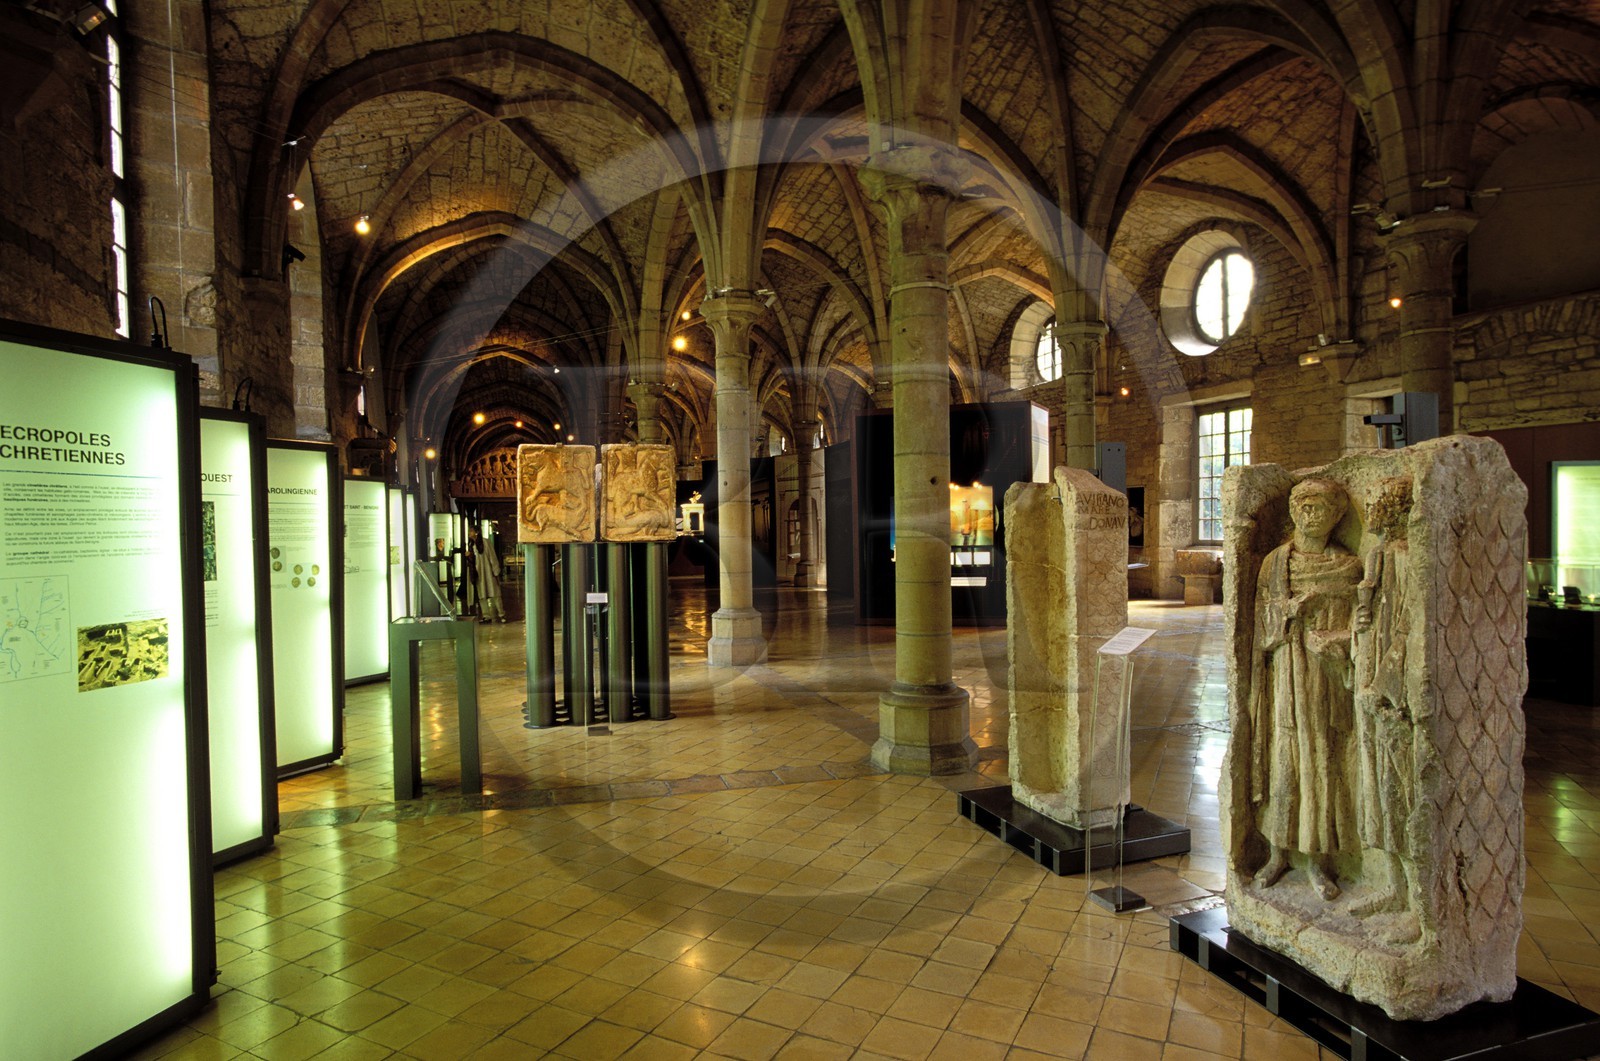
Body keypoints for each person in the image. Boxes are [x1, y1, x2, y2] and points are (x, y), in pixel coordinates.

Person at [1249, 477, 1363, 901]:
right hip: (1285, 675)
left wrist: (1338, 641)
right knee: (1284, 762)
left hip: (1328, 681)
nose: (1309, 515)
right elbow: (1260, 623)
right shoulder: (1276, 564)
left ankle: (1318, 861)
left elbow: (1367, 627)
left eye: (1319, 508)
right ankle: (1278, 853)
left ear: (1336, 516)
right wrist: (1288, 613)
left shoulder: (1348, 568)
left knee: (1323, 764)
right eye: (1303, 507)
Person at [466, 526, 505, 622]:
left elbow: (492, 556)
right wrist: (469, 556)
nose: (469, 533)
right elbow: (473, 560)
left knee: (495, 593)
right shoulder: (471, 544)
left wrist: (496, 571)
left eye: (471, 531)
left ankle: (501, 614)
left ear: (477, 532)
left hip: (488, 571)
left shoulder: (485, 542)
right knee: (481, 595)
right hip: (478, 573)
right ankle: (486, 615)